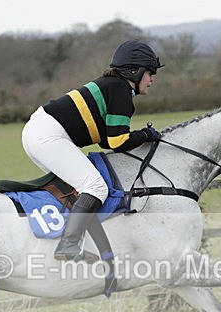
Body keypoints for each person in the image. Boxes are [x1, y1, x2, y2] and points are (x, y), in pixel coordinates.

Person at [22, 39, 164, 261]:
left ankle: (67, 240)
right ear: (134, 71)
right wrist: (147, 135)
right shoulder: (121, 91)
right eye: (150, 73)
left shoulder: (113, 87)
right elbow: (118, 142)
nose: (152, 79)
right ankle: (68, 245)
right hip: (48, 135)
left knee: (79, 189)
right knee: (95, 186)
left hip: (39, 131)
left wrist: (140, 136)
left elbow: (107, 141)